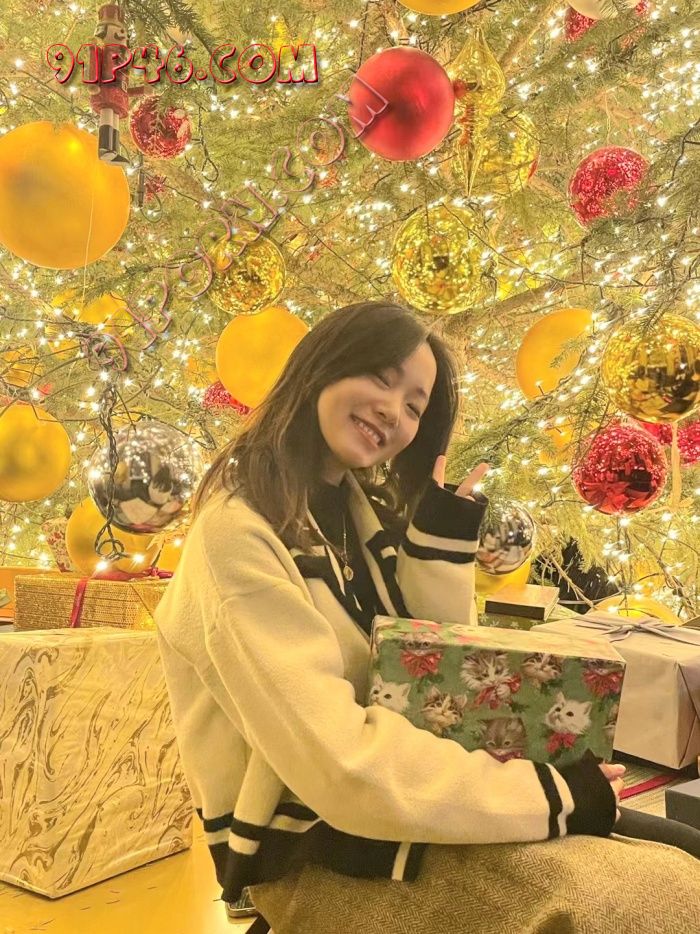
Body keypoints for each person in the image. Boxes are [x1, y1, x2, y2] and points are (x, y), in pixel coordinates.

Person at [154, 302, 700, 934]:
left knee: (683, 847)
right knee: (656, 902)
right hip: (311, 848)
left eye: (415, 406)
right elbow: (341, 767)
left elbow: (434, 678)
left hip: (394, 807)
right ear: (321, 366)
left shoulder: (349, 509)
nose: (395, 411)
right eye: (381, 378)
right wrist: (551, 795)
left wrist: (438, 545)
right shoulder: (237, 534)